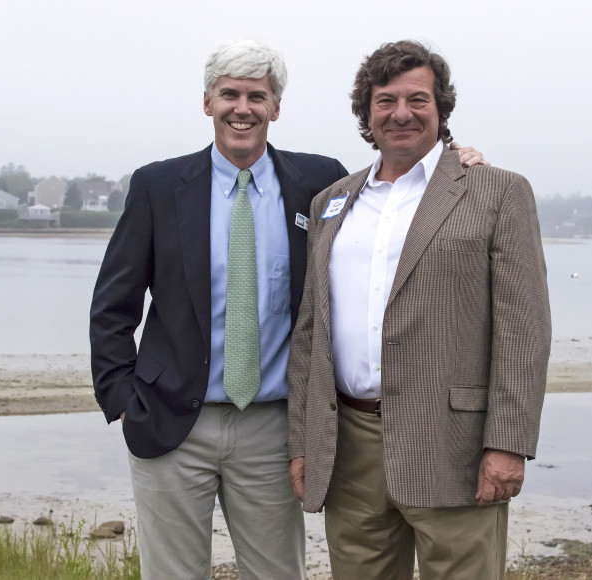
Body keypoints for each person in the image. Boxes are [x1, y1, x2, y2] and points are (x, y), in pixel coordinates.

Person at [91, 39, 485, 578]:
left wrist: (458, 159)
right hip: (169, 422)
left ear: (276, 107)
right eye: (230, 94)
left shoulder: (319, 184)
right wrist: (119, 398)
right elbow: (114, 305)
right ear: (208, 102)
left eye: (258, 95)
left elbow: (396, 204)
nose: (243, 108)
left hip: (275, 431)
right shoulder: (158, 187)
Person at [287, 40, 551, 579]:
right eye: (385, 101)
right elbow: (310, 331)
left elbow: (523, 333)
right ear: (366, 113)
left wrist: (508, 444)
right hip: (349, 447)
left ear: (441, 108)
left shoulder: (497, 192)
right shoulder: (331, 203)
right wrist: (303, 441)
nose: (401, 113)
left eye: (417, 99)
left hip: (453, 445)